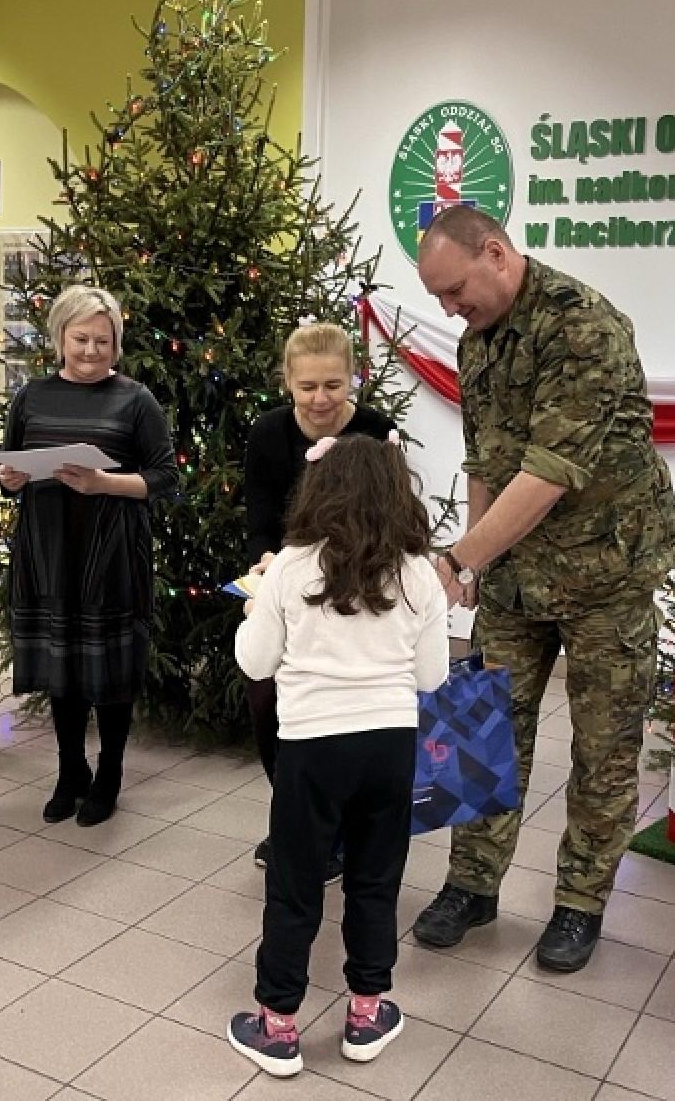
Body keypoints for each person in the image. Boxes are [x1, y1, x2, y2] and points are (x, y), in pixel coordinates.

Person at [409, 205, 675, 973]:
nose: (449, 308)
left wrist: (458, 559)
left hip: (607, 575)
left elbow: (549, 474)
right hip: (516, 577)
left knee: (603, 747)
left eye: (455, 290)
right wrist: (478, 563)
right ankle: (471, 884)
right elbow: (486, 462)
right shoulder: (476, 343)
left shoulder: (583, 325)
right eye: (437, 297)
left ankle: (580, 903)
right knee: (479, 730)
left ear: (496, 253)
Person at [229, 434, 449, 1078]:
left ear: (318, 491)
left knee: (294, 885)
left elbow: (255, 662)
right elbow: (433, 677)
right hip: (389, 747)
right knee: (375, 881)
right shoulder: (418, 572)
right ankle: (366, 1014)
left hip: (311, 748)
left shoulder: (290, 567)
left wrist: (254, 605)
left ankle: (277, 1026)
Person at [0, 285, 177, 827]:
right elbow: (9, 470)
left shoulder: (136, 400)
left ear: (117, 342)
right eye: (81, 339)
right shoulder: (31, 397)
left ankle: (110, 773)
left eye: (103, 340)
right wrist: (10, 479)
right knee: (63, 665)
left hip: (112, 553)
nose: (92, 350)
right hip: (47, 550)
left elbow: (165, 478)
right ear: (60, 337)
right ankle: (70, 770)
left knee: (111, 669)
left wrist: (105, 483)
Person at [243, 321, 396, 876]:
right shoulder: (267, 434)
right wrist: (268, 565)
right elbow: (259, 523)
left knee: (343, 715)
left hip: (359, 591)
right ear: (287, 380)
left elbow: (389, 521)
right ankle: (295, 812)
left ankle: (338, 826)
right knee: (267, 702)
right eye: (307, 386)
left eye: (333, 384)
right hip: (286, 587)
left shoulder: (376, 431)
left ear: (353, 377)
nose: (320, 399)